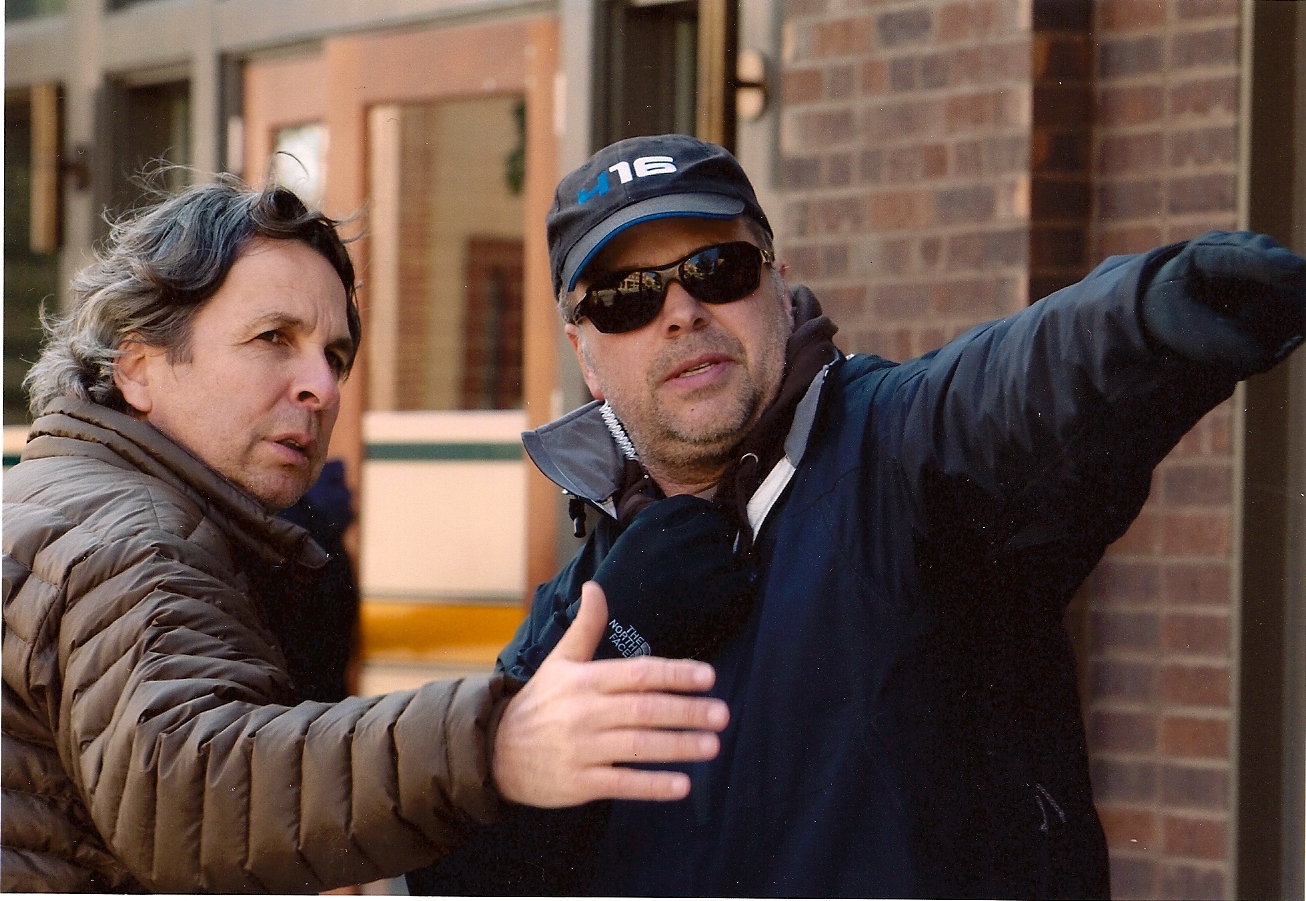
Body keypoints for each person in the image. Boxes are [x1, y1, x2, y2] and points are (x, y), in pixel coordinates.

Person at [407, 134, 1306, 898]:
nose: (680, 312)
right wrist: (616, 644)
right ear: (585, 354)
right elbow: (461, 874)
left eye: (714, 269)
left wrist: (1155, 310)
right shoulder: (583, 605)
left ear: (777, 279)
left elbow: (1012, 386)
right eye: (625, 298)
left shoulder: (900, 452)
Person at [0, 178, 731, 893]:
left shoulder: (62, 499)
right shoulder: (136, 535)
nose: (322, 385)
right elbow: (188, 787)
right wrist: (495, 743)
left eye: (336, 355)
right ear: (137, 366)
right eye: (273, 338)